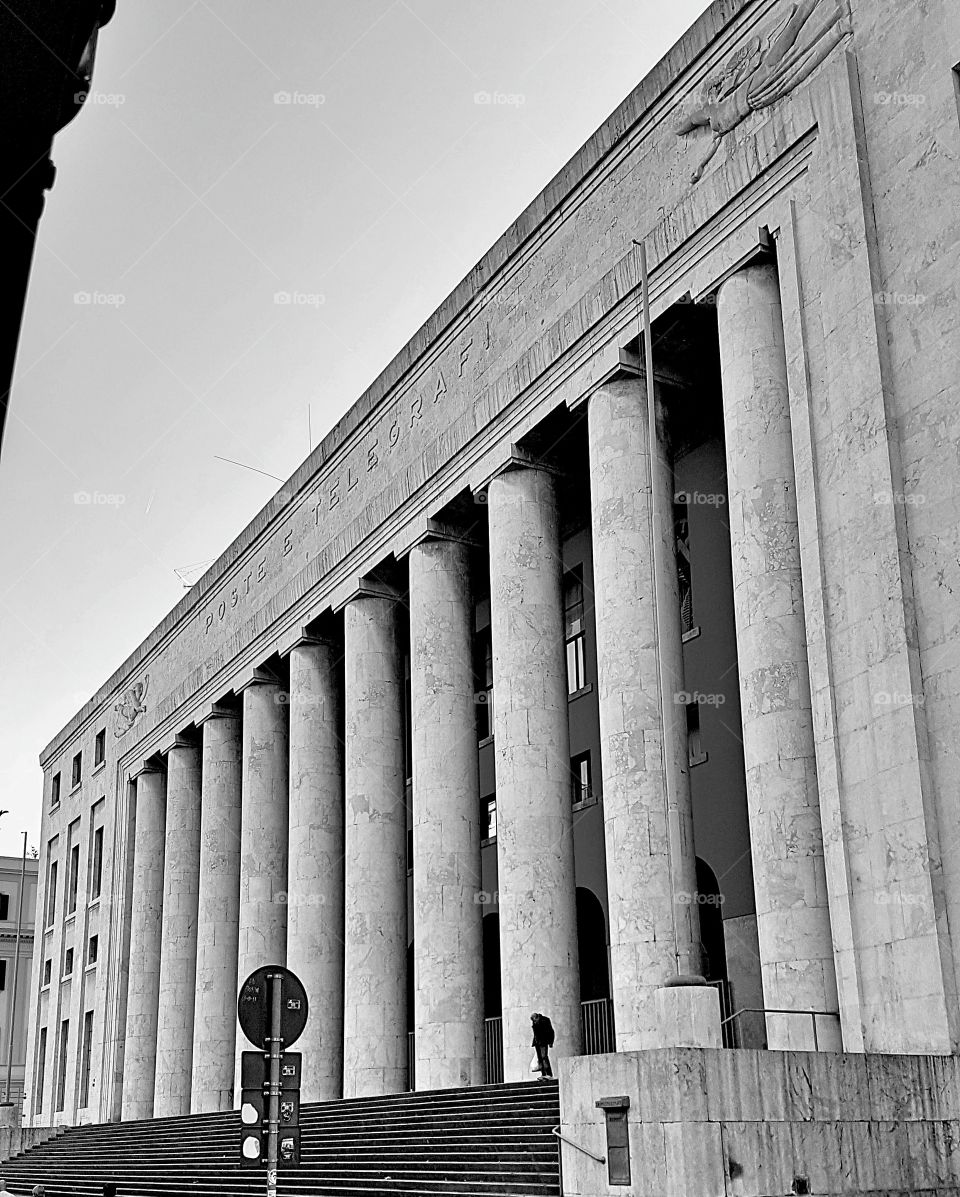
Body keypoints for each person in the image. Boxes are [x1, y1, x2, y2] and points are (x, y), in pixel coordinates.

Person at [531, 1012, 555, 1079]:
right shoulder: (535, 1022)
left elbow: (550, 1031)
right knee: (540, 1058)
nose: (534, 1021)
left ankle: (549, 1073)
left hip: (543, 1041)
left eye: (534, 1020)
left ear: (537, 1017)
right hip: (537, 1042)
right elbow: (535, 1033)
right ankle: (543, 1073)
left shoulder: (545, 1020)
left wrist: (550, 1042)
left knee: (544, 1057)